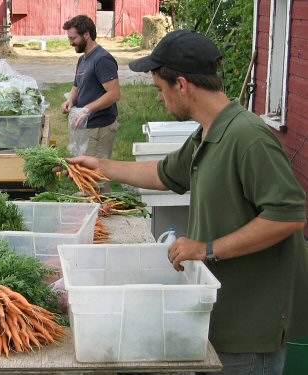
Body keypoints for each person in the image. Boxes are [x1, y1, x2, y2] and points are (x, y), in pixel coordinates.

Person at [64, 30, 308, 375]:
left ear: (182, 84)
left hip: (252, 328)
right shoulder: (208, 131)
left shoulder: (249, 137)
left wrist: (207, 248)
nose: (159, 99)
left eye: (160, 89)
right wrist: (101, 166)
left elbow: (288, 218)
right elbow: (165, 174)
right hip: (221, 314)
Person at [61, 15, 121, 193]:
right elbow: (76, 86)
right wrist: (70, 100)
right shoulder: (84, 59)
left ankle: (102, 211)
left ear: (86, 35)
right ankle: (93, 203)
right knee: (87, 174)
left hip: (100, 127)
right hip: (87, 126)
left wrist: (87, 109)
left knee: (97, 177)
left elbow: (114, 94)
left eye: (73, 38)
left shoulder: (102, 59)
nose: (71, 43)